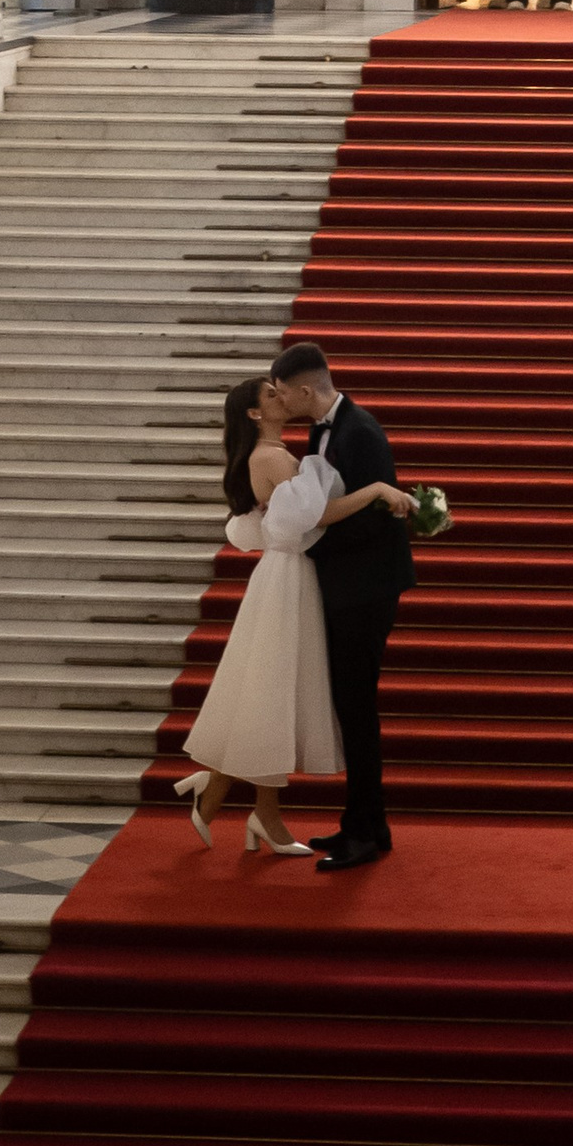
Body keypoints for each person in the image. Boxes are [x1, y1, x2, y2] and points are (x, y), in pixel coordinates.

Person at [175, 376, 408, 853]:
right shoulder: (272, 457)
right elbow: (318, 516)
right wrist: (378, 489)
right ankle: (250, 806)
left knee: (269, 691)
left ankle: (234, 795)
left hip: (289, 575)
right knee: (270, 690)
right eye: (270, 394)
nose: (281, 396)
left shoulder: (274, 454)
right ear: (255, 414)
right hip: (286, 579)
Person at [271, 339, 412, 869]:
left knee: (357, 709)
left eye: (284, 393)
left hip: (366, 588)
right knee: (353, 707)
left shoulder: (359, 431)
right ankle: (369, 824)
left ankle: (363, 832)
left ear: (306, 388)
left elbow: (376, 517)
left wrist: (309, 536)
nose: (279, 402)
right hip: (349, 585)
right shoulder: (325, 429)